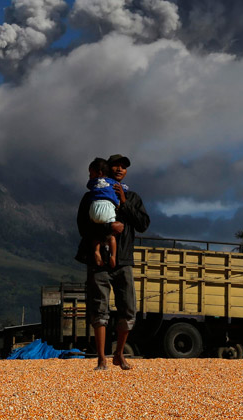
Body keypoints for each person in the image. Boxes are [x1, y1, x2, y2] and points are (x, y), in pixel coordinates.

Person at [75, 153, 150, 371]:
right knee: (99, 309)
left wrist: (124, 204)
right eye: (115, 166)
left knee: (128, 309)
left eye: (123, 167)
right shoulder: (91, 196)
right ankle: (101, 359)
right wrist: (108, 229)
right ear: (107, 170)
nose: (119, 169)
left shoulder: (133, 197)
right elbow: (83, 228)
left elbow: (144, 224)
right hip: (97, 261)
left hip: (123, 260)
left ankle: (119, 354)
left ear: (126, 172)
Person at [86, 157, 119, 268]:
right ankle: (113, 256)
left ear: (99, 173)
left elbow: (89, 186)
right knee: (112, 237)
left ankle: (96, 251)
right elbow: (123, 188)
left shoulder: (93, 183)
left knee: (95, 235)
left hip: (94, 209)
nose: (90, 177)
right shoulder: (113, 183)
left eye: (90, 174)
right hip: (108, 209)